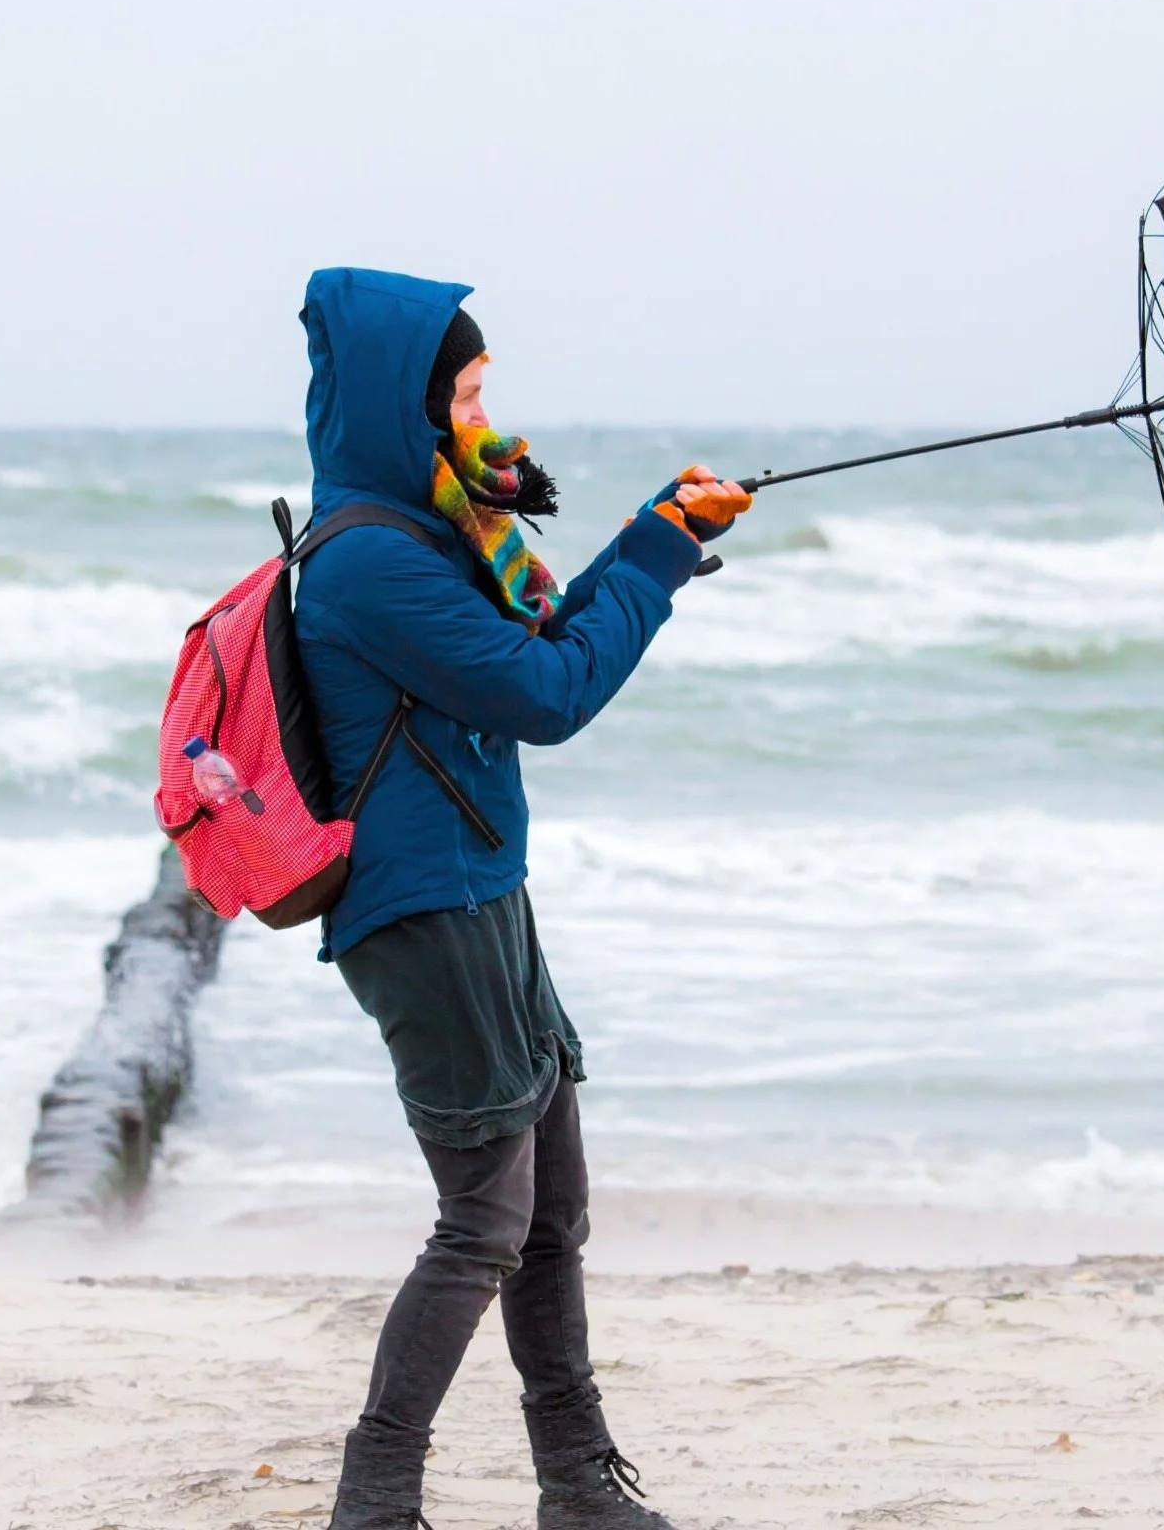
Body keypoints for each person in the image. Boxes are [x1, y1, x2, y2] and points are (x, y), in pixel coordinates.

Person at [292, 269, 752, 1530]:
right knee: (483, 1222)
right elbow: (548, 700)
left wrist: (662, 533)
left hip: (483, 890)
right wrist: (654, 557)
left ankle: (578, 1491)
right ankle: (373, 1501)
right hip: (425, 914)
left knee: (552, 1217)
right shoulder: (372, 563)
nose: (490, 419)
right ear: (409, 409)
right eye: (470, 394)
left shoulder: (435, 532)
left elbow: (533, 649)